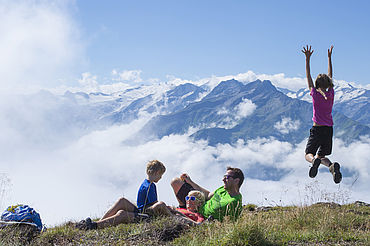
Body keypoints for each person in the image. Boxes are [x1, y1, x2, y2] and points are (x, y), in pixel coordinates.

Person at [76, 160, 170, 230]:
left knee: (122, 214)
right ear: (157, 173)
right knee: (122, 200)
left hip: (146, 215)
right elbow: (152, 205)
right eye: (160, 175)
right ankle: (98, 222)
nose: (160, 177)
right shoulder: (149, 185)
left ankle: (94, 226)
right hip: (145, 215)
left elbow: (153, 207)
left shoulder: (147, 184)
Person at [302, 45, 342, 184]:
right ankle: (332, 167)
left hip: (317, 129)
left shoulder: (314, 93)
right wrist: (329, 58)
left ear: (317, 84)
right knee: (322, 155)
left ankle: (313, 162)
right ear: (328, 84)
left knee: (309, 154)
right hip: (329, 129)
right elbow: (330, 76)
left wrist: (307, 59)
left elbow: (308, 76)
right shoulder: (331, 93)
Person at [171, 167, 244, 222]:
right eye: (224, 177)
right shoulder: (223, 189)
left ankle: (184, 210)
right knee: (175, 181)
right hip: (197, 202)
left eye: (227, 177)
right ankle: (183, 207)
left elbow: (231, 222)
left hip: (201, 217)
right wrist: (190, 182)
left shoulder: (235, 202)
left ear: (236, 181)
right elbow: (208, 195)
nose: (223, 180)